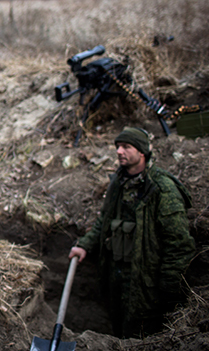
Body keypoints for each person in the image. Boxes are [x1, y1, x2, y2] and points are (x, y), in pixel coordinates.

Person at [69, 127, 195, 339]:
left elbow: (179, 244)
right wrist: (85, 244)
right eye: (118, 146)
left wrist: (171, 289)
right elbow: (105, 220)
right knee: (118, 326)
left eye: (126, 147)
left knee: (142, 334)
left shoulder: (162, 188)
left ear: (142, 152)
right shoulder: (119, 182)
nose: (119, 151)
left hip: (146, 280)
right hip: (116, 273)